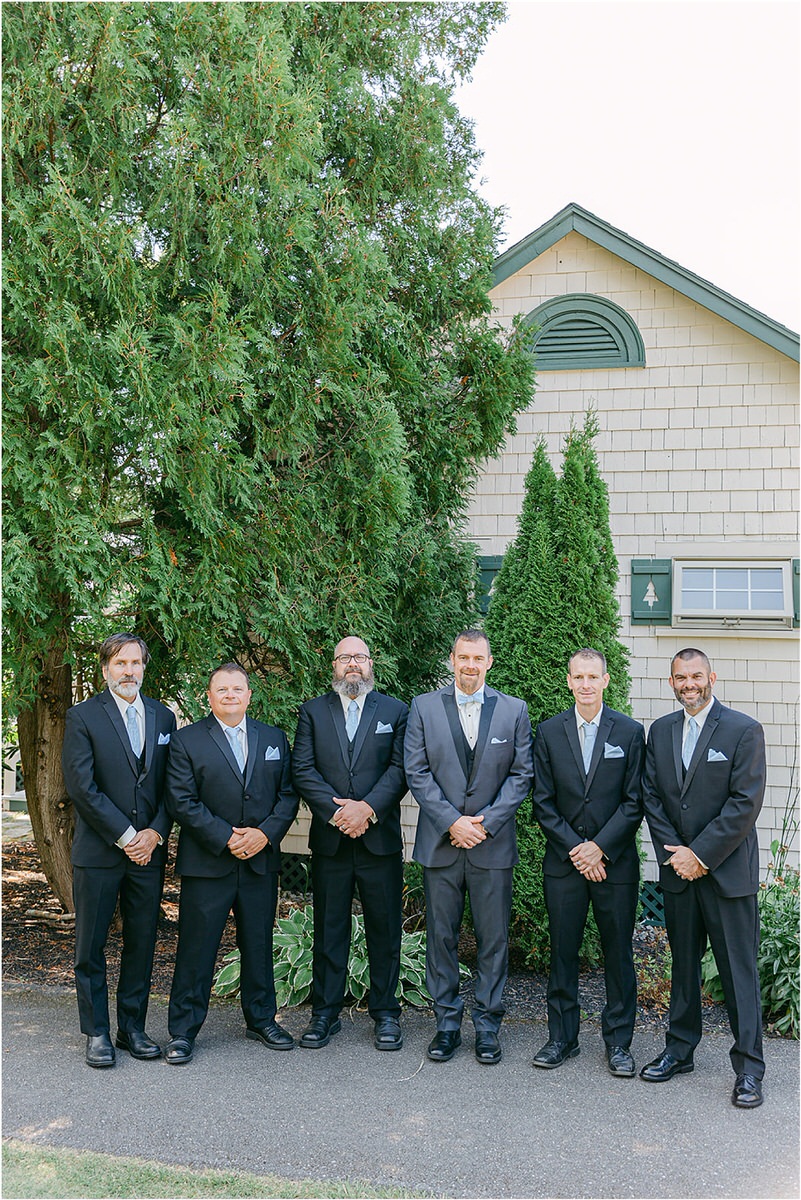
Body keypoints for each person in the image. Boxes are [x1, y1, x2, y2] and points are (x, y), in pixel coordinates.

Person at [640, 648, 767, 1109]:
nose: (688, 684)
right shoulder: (661, 731)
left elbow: (744, 803)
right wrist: (677, 855)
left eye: (696, 675)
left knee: (739, 972)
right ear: (671, 682)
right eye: (680, 677)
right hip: (678, 871)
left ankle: (750, 1068)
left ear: (711, 676)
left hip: (726, 874)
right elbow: (651, 796)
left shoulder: (742, 730)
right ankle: (679, 1050)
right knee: (683, 968)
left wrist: (702, 855)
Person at [404, 629, 533, 1065]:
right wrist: (452, 822)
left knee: (492, 938)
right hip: (440, 843)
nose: (470, 665)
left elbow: (521, 775)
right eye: (463, 657)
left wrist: (485, 823)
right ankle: (445, 1026)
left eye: (478, 658)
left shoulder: (514, 710)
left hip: (491, 846)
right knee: (440, 937)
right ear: (452, 659)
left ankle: (488, 1027)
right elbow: (416, 770)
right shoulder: (423, 707)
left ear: (489, 662)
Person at [164, 663, 299, 1064]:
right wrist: (226, 836)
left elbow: (288, 796)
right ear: (208, 696)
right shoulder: (186, 741)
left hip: (260, 860)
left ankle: (261, 1019)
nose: (229, 695)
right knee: (196, 948)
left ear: (248, 695)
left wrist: (263, 835)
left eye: (237, 689)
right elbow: (181, 801)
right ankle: (183, 1030)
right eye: (221, 689)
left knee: (258, 944)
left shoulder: (273, 738)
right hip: (207, 862)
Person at [62, 632, 176, 1068]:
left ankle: (132, 1028)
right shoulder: (83, 717)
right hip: (100, 852)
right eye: (120, 663)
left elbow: (172, 788)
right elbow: (82, 788)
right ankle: (96, 1033)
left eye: (135, 663)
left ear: (144, 667)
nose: (128, 671)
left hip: (149, 854)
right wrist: (128, 836)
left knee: (141, 942)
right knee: (90, 947)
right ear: (106, 668)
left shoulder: (164, 718)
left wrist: (154, 835)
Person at [530, 648, 644, 1076]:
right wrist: (579, 851)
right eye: (578, 677)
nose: (585, 684)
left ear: (606, 681)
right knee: (563, 952)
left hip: (615, 865)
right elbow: (543, 803)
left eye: (593, 677)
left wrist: (601, 848)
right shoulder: (548, 732)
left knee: (618, 954)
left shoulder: (630, 732)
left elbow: (635, 802)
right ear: (568, 681)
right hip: (565, 864)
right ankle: (562, 1038)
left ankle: (619, 1043)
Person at [292, 636, 409, 1050]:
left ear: (371, 663)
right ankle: (325, 1015)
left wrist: (367, 810)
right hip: (331, 841)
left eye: (360, 656)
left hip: (379, 841)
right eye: (345, 658)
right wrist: (339, 812)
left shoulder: (395, 711)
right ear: (334, 667)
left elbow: (400, 769)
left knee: (385, 930)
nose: (353, 664)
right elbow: (302, 769)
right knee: (329, 929)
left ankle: (386, 1015)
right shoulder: (312, 711)